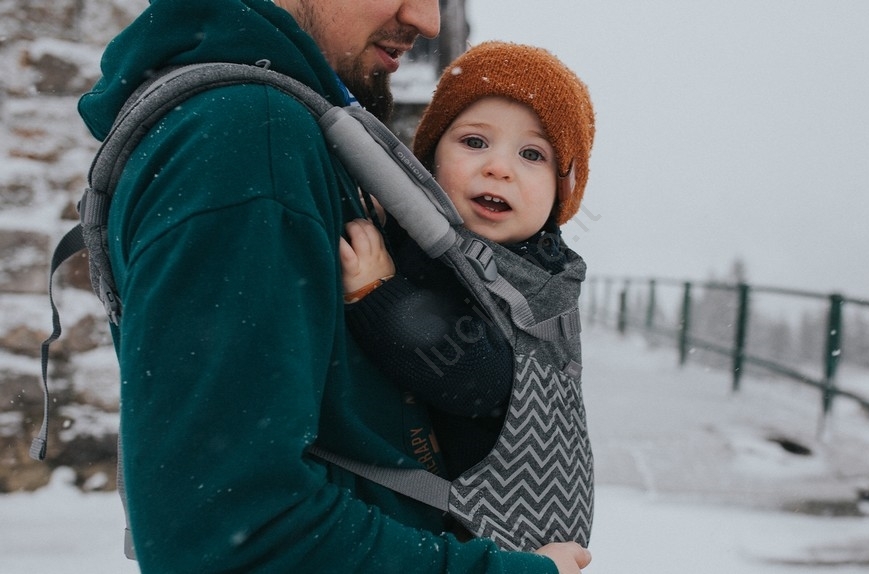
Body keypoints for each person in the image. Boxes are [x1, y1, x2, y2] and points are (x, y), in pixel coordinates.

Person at [76, 0, 590, 572]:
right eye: (473, 142)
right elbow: (231, 531)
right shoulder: (249, 136)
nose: (428, 21)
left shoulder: (276, 131)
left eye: (532, 155)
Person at [339, 40, 595, 542]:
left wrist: (378, 293)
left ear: (560, 193)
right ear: (429, 159)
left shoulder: (534, 280)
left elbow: (474, 377)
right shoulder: (445, 239)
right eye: (475, 142)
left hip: (493, 529)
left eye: (531, 154)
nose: (499, 167)